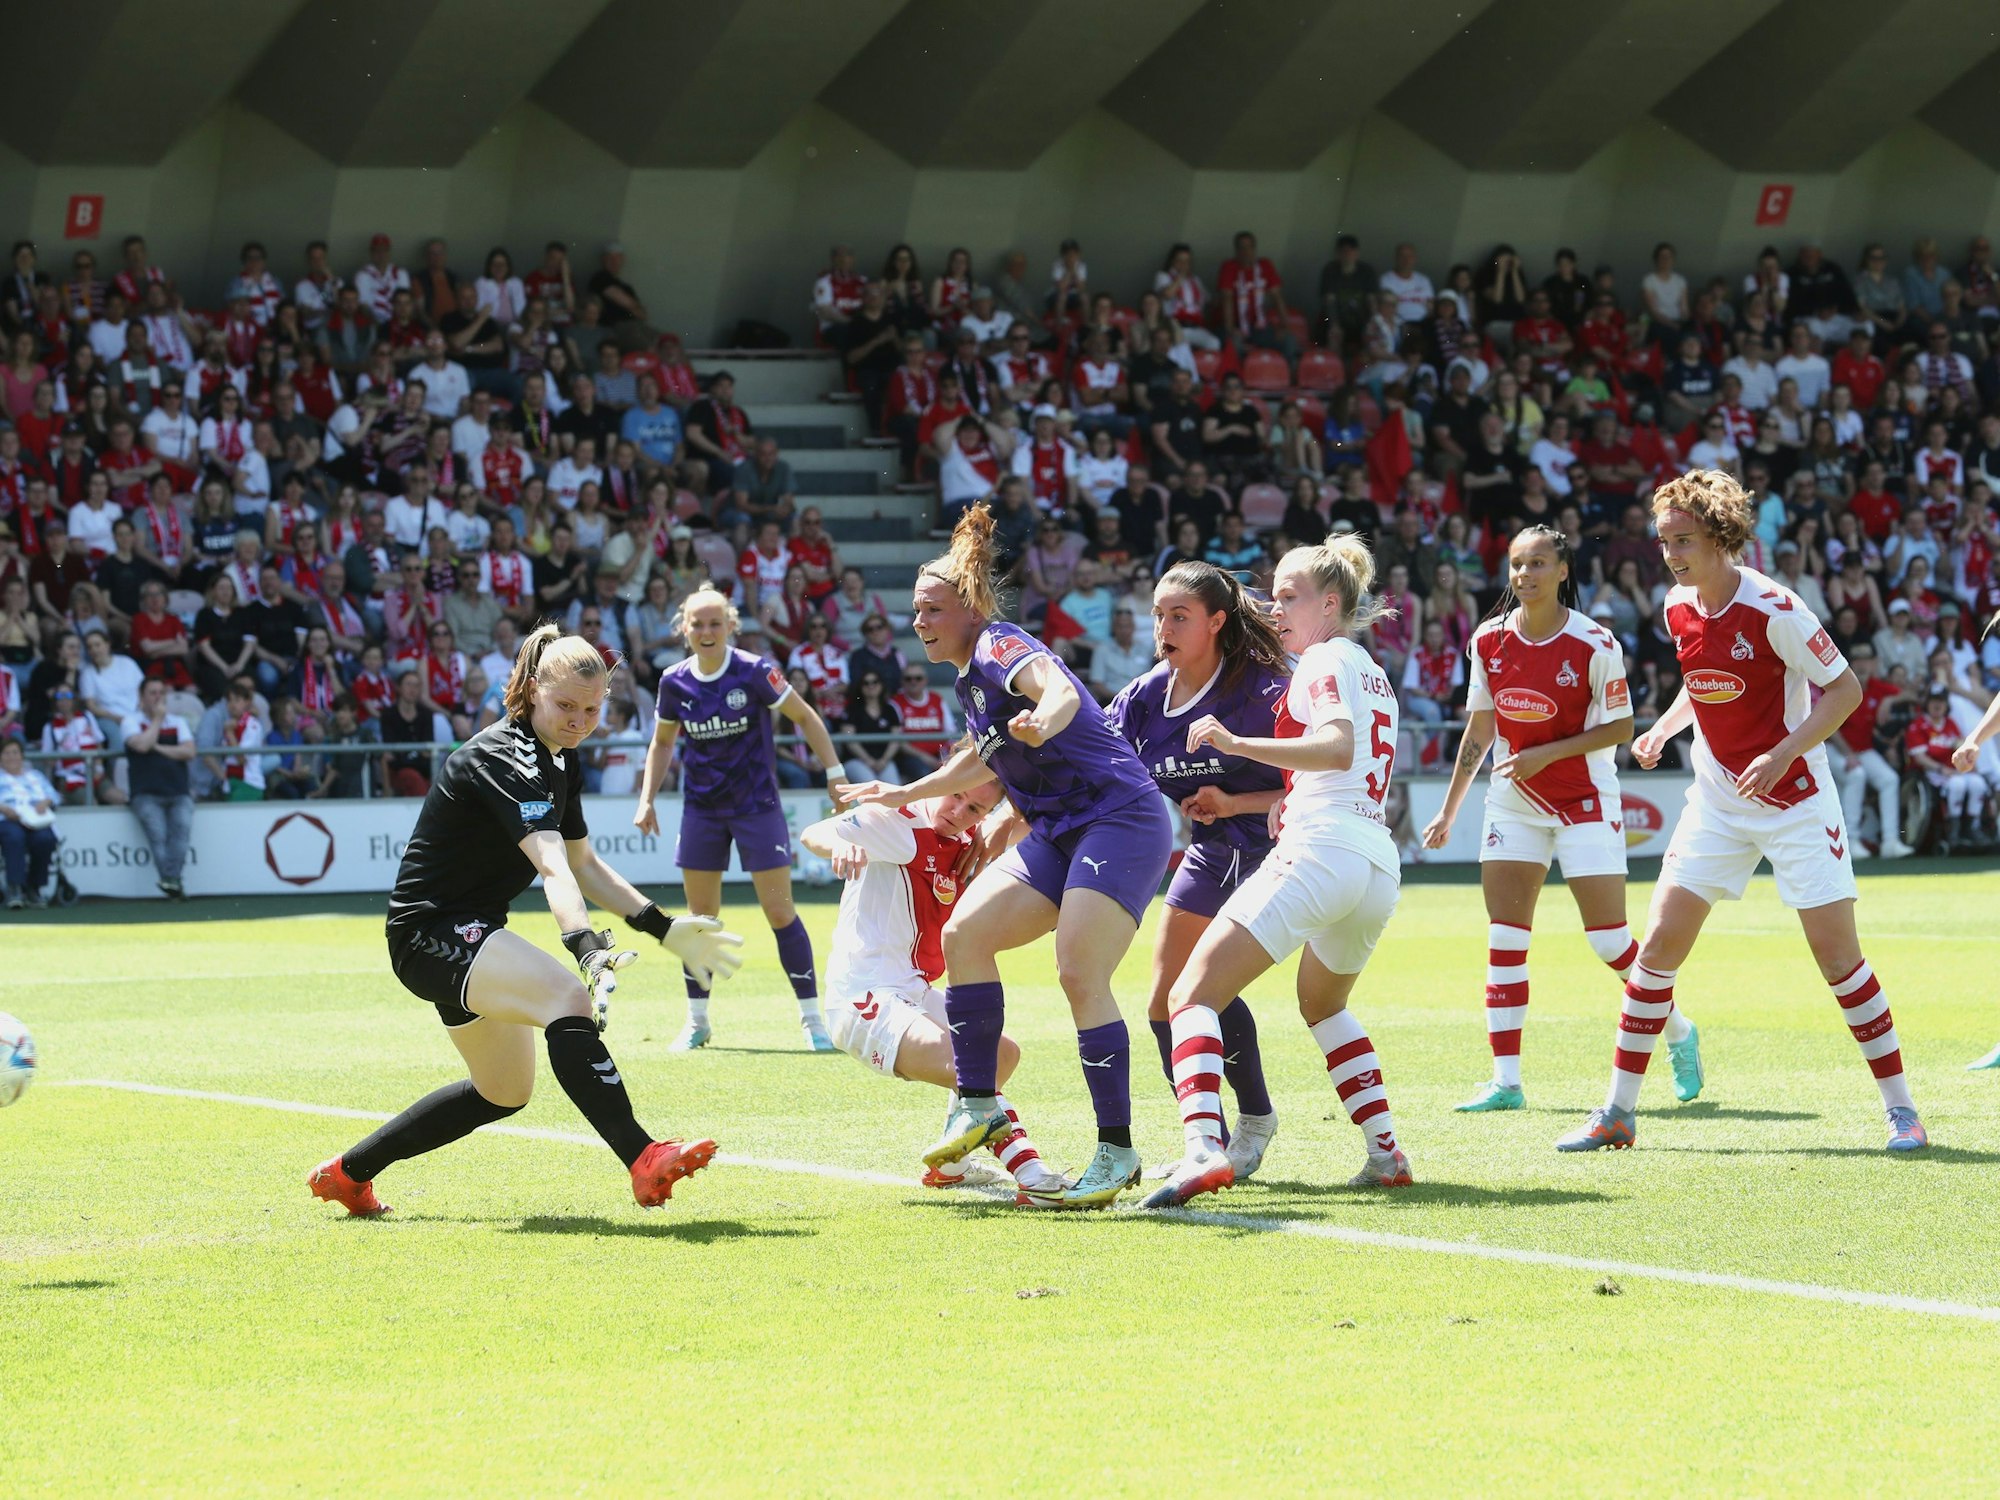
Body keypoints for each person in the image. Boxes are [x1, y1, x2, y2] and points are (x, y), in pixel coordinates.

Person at [306, 625, 745, 1218]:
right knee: (568, 999)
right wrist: (586, 949)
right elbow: (552, 864)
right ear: (534, 688)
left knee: (503, 1091)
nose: (579, 721)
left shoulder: (561, 759)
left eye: (592, 710)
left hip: (467, 935)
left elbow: (584, 864)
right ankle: (643, 1157)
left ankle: (347, 1175)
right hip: (428, 932)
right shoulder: (505, 756)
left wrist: (662, 927)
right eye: (566, 706)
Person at [1556, 469, 1928, 1155]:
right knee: (1656, 951)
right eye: (1664, 541)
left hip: (1796, 803)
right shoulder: (1676, 605)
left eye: (1683, 540)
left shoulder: (1775, 608)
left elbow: (1844, 690)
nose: (1671, 554)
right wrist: (1665, 727)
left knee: (1838, 960)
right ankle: (1617, 1113)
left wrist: (1783, 754)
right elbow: (1704, 685)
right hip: (1718, 802)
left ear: (1720, 536)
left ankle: (1902, 1110)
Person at [841, 505, 1174, 1209]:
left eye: (930, 609)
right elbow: (979, 762)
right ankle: (978, 1103)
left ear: (969, 609)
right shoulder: (967, 680)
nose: (918, 621)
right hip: (1059, 829)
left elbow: (1056, 688)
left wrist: (1045, 718)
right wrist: (904, 791)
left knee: (1078, 971)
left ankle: (1117, 1149)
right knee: (966, 936)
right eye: (915, 610)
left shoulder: (998, 644)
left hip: (1118, 817)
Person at [1144, 535, 1413, 1208]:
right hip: (1374, 861)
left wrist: (1236, 742)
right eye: (1272, 594)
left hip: (1322, 850)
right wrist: (1283, 796)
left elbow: (1336, 745)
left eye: (1289, 596)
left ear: (1330, 603)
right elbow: (1352, 761)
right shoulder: (1369, 668)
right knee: (1324, 1006)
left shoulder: (1321, 658)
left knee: (1189, 995)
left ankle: (1202, 1149)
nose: (1274, 607)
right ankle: (1387, 1153)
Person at [1421, 526, 1703, 1110]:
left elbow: (1621, 727)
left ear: (1563, 571)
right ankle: (1506, 1082)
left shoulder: (1595, 643)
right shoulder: (1488, 640)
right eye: (1517, 564)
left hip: (1584, 802)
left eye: (1538, 563)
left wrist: (1546, 754)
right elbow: (1481, 727)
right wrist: (1450, 809)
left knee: (1609, 940)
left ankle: (1678, 1029)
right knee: (1505, 938)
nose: (1525, 574)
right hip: (1512, 803)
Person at [798, 779, 1069, 1202]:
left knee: (1003, 1054)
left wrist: (1007, 816)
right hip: (864, 998)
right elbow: (812, 833)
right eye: (956, 795)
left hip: (914, 991)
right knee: (970, 1066)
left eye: (975, 809)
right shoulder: (898, 820)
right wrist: (841, 843)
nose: (959, 812)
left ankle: (952, 1168)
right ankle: (1032, 1173)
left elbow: (1039, 805)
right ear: (944, 778)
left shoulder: (971, 840)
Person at [1106, 562, 1287, 1183]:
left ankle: (1244, 1127)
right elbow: (1094, 762)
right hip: (1211, 850)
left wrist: (1235, 802)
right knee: (1168, 1000)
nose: (1164, 627)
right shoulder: (1143, 699)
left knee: (1197, 994)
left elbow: (1323, 778)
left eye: (1179, 616)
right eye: (1159, 615)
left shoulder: (1263, 692)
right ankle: (1216, 1138)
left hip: (1274, 851)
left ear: (1216, 622)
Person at [636, 585, 849, 1052]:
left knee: (780, 911)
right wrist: (647, 798)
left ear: (731, 625)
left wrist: (834, 773)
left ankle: (812, 1021)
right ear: (684, 629)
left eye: (715, 623)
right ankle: (697, 1022)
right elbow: (663, 742)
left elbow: (805, 717)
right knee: (700, 921)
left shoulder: (754, 671)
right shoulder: (673, 681)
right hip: (702, 810)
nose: (706, 631)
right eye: (697, 624)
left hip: (757, 807)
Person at [0, 736, 58, 907]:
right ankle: (15, 887)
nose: (11, 757)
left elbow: (54, 795)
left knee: (45, 839)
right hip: (8, 819)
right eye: (6, 753)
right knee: (14, 837)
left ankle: (34, 887)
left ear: (22, 756)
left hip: (35, 819)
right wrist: (3, 808)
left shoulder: (36, 776)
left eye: (15, 753)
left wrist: (46, 802)